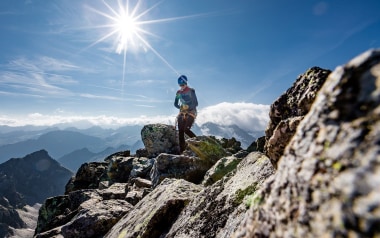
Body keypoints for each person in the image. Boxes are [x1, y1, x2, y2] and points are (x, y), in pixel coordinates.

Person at [174, 75, 198, 153]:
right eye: (180, 85)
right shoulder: (178, 92)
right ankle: (182, 150)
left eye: (183, 84)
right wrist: (181, 108)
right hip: (182, 112)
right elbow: (175, 104)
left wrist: (187, 107)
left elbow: (196, 103)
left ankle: (199, 143)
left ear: (186, 83)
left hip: (191, 112)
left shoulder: (191, 91)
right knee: (180, 131)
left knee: (186, 130)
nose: (182, 86)